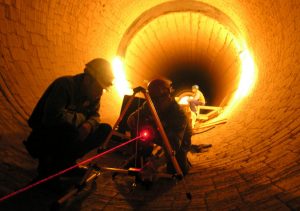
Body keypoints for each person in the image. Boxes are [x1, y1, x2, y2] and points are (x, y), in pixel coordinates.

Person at [23, 58, 114, 180]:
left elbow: (95, 116)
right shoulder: (64, 85)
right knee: (69, 130)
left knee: (105, 129)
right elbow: (52, 117)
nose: (100, 93)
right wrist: (81, 118)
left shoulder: (93, 95)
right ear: (87, 79)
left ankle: (66, 163)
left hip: (70, 133)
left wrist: (89, 125)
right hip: (44, 135)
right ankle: (48, 167)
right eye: (99, 87)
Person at [127, 79, 192, 181]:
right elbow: (142, 110)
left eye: (158, 99)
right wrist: (133, 116)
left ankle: (183, 160)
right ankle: (141, 153)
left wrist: (155, 164)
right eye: (152, 99)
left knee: (177, 170)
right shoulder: (152, 104)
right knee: (141, 126)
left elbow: (174, 143)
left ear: (167, 95)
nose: (154, 103)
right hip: (161, 134)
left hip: (180, 141)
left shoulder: (178, 114)